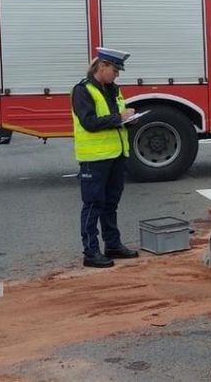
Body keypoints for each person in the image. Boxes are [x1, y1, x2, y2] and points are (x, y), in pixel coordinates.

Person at [72, 47, 140, 268]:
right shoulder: (83, 90)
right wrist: (119, 117)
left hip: (116, 154)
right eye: (115, 70)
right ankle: (90, 252)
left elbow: (115, 118)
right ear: (102, 67)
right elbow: (89, 123)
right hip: (95, 157)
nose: (117, 75)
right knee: (93, 204)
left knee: (111, 203)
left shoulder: (113, 89)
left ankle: (112, 244)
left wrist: (130, 119)